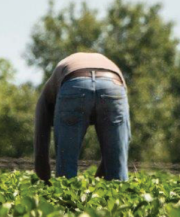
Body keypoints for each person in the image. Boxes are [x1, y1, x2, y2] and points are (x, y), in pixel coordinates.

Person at [34, 52, 130, 182]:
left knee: (65, 174)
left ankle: (66, 198)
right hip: (113, 85)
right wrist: (101, 181)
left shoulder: (47, 96)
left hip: (74, 84)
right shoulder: (109, 65)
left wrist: (44, 178)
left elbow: (40, 140)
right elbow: (119, 146)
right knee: (117, 175)